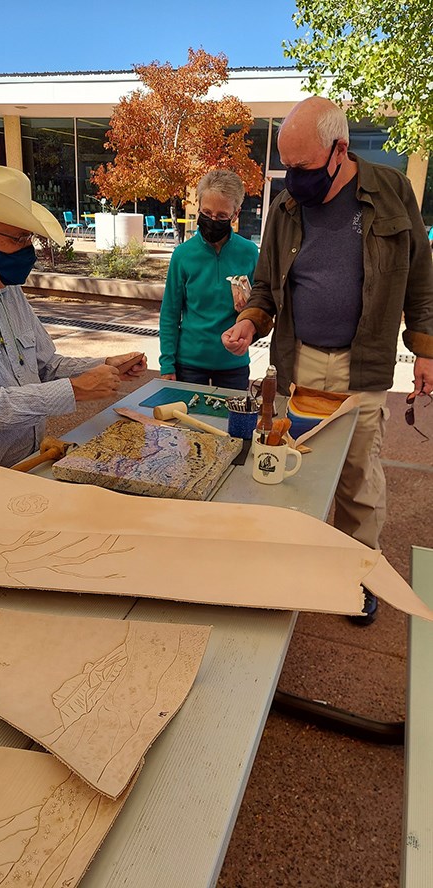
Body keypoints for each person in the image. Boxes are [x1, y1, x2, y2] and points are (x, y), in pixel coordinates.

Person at [222, 97, 433, 623]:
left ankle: (356, 577)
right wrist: (250, 321)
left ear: (340, 149)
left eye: (303, 168)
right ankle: (304, 562)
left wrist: (426, 348)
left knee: (359, 477)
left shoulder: (391, 191)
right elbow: (267, 288)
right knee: (297, 473)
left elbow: (422, 280)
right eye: (286, 167)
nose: (293, 179)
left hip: (362, 367)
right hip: (300, 365)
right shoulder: (287, 208)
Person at [0, 162, 147, 468]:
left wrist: (102, 365)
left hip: (28, 463)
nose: (28, 249)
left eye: (29, 238)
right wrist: (74, 390)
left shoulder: (4, 286)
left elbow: (44, 366)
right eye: (18, 238)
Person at [159, 169, 258, 389]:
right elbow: (170, 314)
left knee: (234, 423)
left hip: (233, 363)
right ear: (198, 206)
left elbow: (259, 307)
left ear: (236, 213)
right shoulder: (183, 255)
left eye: (222, 216)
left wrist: (250, 333)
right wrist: (167, 364)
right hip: (190, 364)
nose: (213, 220)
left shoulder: (249, 253)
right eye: (206, 213)